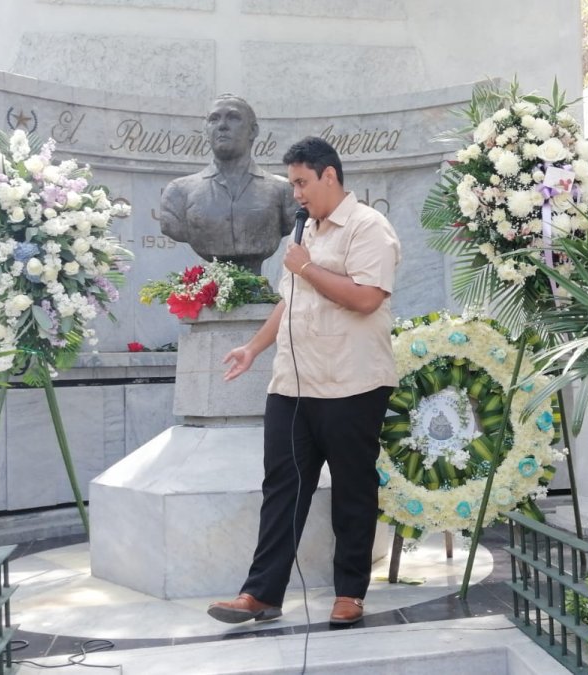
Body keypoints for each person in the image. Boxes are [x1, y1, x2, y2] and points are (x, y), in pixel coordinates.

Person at [206, 136, 401, 626]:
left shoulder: (368, 227)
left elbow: (366, 299)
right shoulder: (304, 232)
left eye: (301, 182)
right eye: (292, 183)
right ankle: (261, 594)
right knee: (282, 490)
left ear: (328, 175)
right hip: (293, 385)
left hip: (352, 384)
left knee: (353, 490)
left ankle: (350, 593)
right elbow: (290, 300)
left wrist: (308, 268)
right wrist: (253, 348)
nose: (295, 193)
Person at [159, 94, 297, 274]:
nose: (222, 125)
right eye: (214, 119)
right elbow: (172, 227)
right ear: (206, 130)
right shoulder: (178, 192)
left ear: (253, 130)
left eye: (233, 117)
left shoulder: (284, 190)